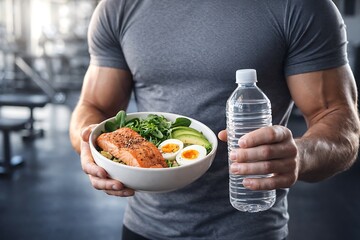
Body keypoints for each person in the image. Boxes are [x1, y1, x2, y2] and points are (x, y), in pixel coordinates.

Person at [69, 0, 360, 239]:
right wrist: (88, 142)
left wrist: (302, 156)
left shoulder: (301, 6)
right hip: (144, 228)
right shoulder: (118, 7)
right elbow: (93, 106)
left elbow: (339, 120)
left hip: (252, 227)